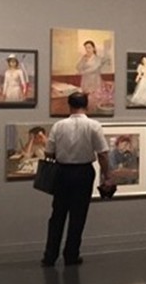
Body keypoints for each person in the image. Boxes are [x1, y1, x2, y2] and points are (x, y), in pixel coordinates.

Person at [41, 91, 112, 267]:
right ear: (86, 105)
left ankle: (50, 255)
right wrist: (107, 176)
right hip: (83, 172)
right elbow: (102, 154)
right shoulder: (93, 126)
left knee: (57, 215)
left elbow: (48, 152)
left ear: (69, 105)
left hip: (62, 172)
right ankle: (71, 254)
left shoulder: (59, 126)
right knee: (78, 216)